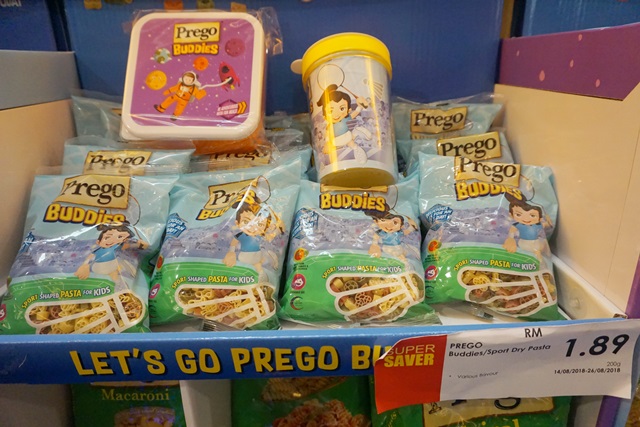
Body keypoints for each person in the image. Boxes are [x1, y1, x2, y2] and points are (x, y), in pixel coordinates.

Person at [223, 196, 284, 282]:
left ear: (265, 227)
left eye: (260, 224)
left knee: (262, 260)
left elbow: (270, 237)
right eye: (246, 222)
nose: (252, 227)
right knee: (255, 265)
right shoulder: (242, 235)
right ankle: (259, 274)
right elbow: (234, 242)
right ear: (237, 223)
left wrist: (276, 229)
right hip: (245, 255)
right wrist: (231, 252)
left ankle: (261, 273)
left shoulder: (260, 235)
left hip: (258, 254)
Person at [74, 221, 147, 290]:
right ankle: (118, 282)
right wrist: (85, 264)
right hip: (101, 266)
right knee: (119, 265)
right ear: (98, 242)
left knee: (117, 269)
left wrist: (138, 245)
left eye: (119, 237)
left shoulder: (115, 246)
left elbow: (127, 246)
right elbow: (90, 256)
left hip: (108, 265)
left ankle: (119, 284)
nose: (111, 241)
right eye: (107, 238)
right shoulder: (101, 250)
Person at [316, 84, 371, 164]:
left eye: (342, 108)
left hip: (346, 136)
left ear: (348, 110)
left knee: (352, 144)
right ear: (324, 116)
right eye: (331, 111)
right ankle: (333, 163)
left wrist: (360, 107)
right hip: (336, 140)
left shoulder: (345, 119)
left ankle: (357, 139)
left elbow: (355, 113)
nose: (336, 114)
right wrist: (327, 144)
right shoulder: (330, 126)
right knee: (332, 150)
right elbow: (328, 135)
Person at [503, 193, 552, 262]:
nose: (526, 219)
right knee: (531, 251)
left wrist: (548, 220)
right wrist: (511, 239)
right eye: (518, 214)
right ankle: (537, 258)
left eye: (532, 215)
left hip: (535, 242)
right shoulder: (518, 225)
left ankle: (538, 259)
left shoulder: (538, 225)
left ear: (540, 218)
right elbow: (512, 231)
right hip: (524, 242)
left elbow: (548, 225)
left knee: (538, 249)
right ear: (511, 215)